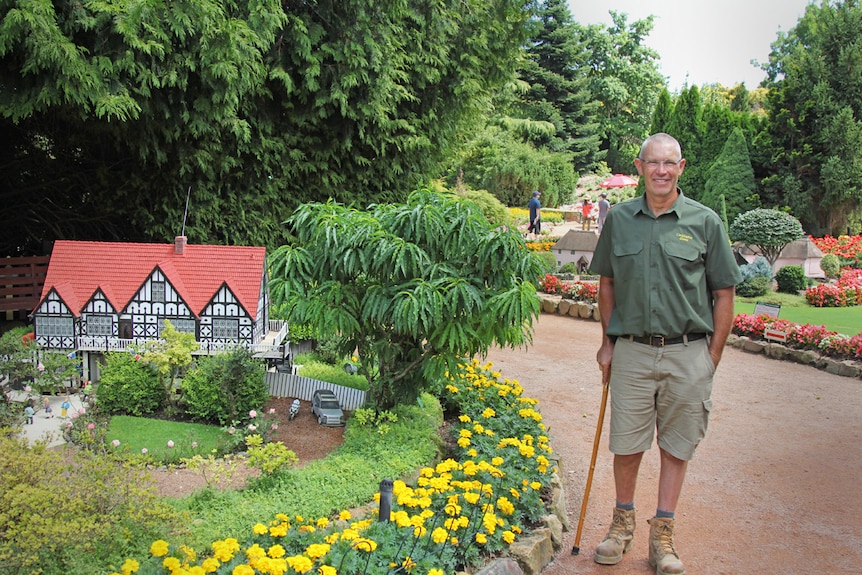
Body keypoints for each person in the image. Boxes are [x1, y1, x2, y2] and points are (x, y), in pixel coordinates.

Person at [590, 133, 741, 575]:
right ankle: (621, 525)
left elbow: (724, 293)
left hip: (688, 353)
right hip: (632, 352)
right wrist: (607, 342)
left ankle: (663, 535)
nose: (661, 170)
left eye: (669, 163)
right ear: (639, 167)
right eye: (652, 162)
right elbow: (607, 285)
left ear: (682, 166)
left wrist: (710, 358)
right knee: (627, 444)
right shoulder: (618, 219)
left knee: (676, 447)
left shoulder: (705, 221)